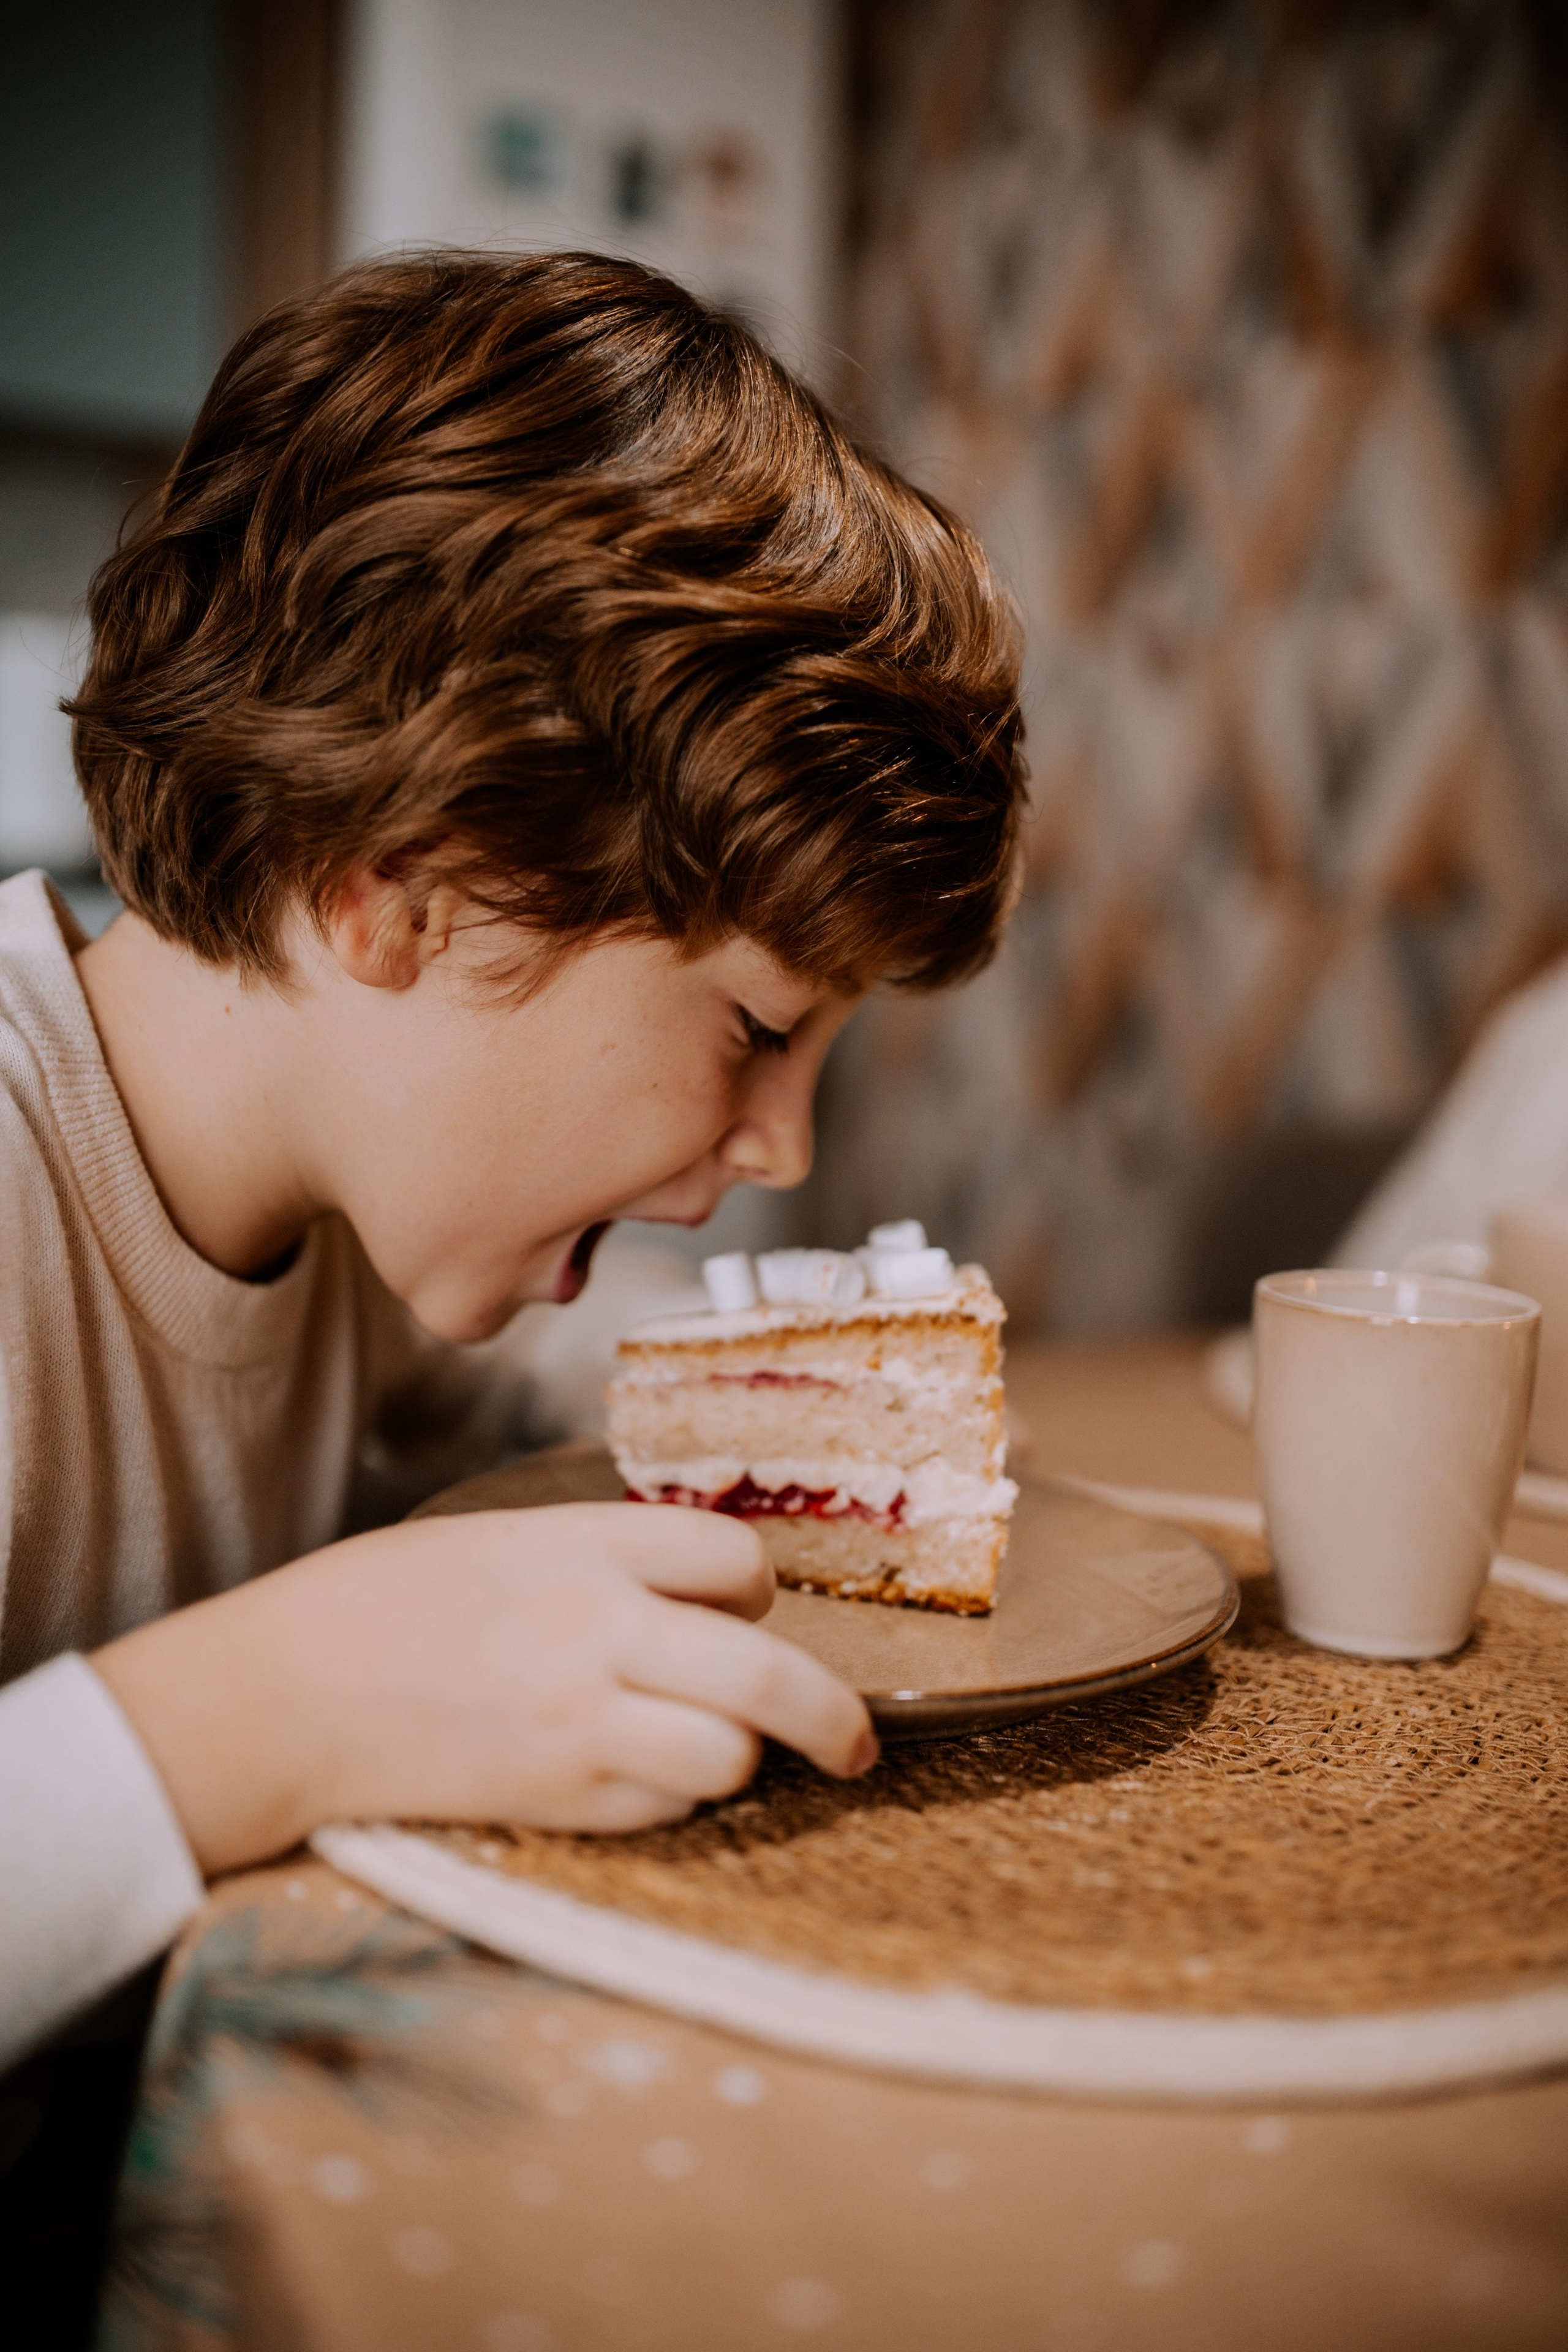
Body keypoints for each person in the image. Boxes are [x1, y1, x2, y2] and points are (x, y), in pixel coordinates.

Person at [0, 251, 1025, 2070]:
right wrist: (277, 1706)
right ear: (403, 890)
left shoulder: (348, 1213)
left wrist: (833, 1407)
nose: (782, 1146)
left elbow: (542, 1388)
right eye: (756, 1027)